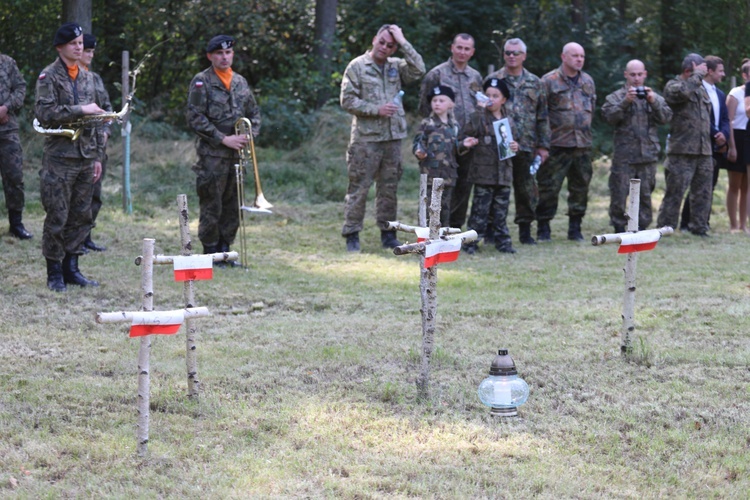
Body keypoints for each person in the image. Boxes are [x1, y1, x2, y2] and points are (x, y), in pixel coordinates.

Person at [340, 24, 425, 252]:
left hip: (392, 138)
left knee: (389, 189)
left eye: (391, 45)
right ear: (374, 39)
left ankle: (388, 234)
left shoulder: (396, 67)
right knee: (359, 188)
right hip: (366, 139)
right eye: (382, 42)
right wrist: (375, 109)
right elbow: (347, 100)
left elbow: (419, 69)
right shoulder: (357, 66)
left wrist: (403, 40)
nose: (385, 48)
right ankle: (352, 234)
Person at [35, 23, 106, 291]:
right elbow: (44, 113)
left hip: (87, 156)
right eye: (74, 43)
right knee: (57, 216)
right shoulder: (48, 76)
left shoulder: (88, 77)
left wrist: (98, 155)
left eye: (80, 43)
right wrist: (80, 109)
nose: (79, 47)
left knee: (81, 215)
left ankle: (72, 268)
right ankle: (54, 273)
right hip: (60, 158)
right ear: (60, 47)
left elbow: (97, 118)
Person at [186, 34, 261, 263]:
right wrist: (223, 139)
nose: (224, 57)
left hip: (237, 155)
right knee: (212, 203)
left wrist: (249, 135)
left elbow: (254, 113)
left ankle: (226, 249)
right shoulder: (201, 81)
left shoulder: (240, 82)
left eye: (228, 52)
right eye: (219, 53)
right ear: (210, 56)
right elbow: (194, 117)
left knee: (233, 204)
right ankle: (210, 252)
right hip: (212, 155)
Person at [485, 38, 550, 245]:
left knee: (526, 189)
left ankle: (525, 230)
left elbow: (543, 116)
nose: (512, 56)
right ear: (503, 55)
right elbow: (482, 112)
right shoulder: (493, 79)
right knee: (495, 188)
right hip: (497, 146)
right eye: (508, 52)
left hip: (525, 145)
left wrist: (543, 146)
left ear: (524, 56)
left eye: (516, 53)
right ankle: (491, 230)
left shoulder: (535, 82)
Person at [418, 33, 483, 230]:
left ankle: (455, 228)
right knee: (439, 188)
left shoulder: (475, 76)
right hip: (442, 141)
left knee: (464, 185)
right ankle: (435, 228)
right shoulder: (437, 74)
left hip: (467, 140)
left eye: (467, 49)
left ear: (472, 52)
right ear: (452, 48)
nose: (462, 52)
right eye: (459, 47)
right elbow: (424, 107)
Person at [601, 59, 672, 233]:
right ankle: (619, 226)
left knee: (646, 194)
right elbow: (609, 117)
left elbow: (666, 118)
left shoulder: (653, 97)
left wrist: (653, 101)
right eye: (632, 75)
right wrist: (625, 102)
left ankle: (641, 227)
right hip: (624, 157)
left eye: (640, 74)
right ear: (626, 75)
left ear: (645, 74)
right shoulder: (616, 97)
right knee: (619, 192)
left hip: (647, 156)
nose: (636, 78)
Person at [537, 42, 596, 242]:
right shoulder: (549, 81)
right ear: (563, 57)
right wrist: (542, 144)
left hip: (582, 145)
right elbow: (541, 115)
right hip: (556, 145)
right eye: (574, 55)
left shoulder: (588, 81)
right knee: (549, 188)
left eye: (582, 56)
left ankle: (575, 227)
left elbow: (591, 110)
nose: (579, 59)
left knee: (580, 188)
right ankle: (543, 227)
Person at [656, 54, 713, 236]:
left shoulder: (701, 89)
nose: (704, 73)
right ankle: (666, 228)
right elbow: (682, 93)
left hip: (703, 150)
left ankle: (699, 227)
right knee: (675, 192)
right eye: (700, 69)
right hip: (681, 150)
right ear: (689, 69)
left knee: (703, 193)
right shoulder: (674, 86)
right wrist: (697, 76)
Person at [459, 78, 518, 254]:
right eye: (488, 94)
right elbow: (469, 131)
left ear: (504, 99)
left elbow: (514, 142)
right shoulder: (480, 116)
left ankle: (503, 242)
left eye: (495, 95)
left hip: (503, 173)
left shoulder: (509, 120)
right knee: (479, 212)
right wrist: (479, 108)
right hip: (483, 173)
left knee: (501, 212)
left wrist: (516, 146)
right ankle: (470, 243)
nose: (491, 98)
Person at [679, 55, 729, 231]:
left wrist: (724, 134)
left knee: (709, 186)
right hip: (699, 144)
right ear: (709, 71)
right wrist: (715, 134)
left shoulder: (720, 94)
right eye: (720, 71)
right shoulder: (699, 91)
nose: (723, 74)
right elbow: (701, 119)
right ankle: (686, 223)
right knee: (693, 187)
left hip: (716, 146)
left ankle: (703, 222)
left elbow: (724, 118)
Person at [413, 85, 476, 226]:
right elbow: (418, 143)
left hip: (449, 176)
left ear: (451, 104)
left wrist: (465, 144)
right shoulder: (426, 124)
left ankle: (443, 241)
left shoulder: (454, 126)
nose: (437, 103)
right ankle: (425, 241)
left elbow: (455, 149)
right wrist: (419, 152)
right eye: (434, 100)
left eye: (441, 100)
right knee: (428, 209)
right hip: (430, 176)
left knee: (445, 210)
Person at [79, 33, 112, 252]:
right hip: (77, 145)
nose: (90, 55)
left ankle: (87, 235)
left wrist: (107, 130)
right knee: (78, 195)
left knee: (95, 193)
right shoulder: (67, 78)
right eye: (86, 51)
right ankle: (75, 238)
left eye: (92, 51)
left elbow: (107, 108)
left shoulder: (96, 78)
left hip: (98, 146)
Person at [0, 51, 32, 240]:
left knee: (14, 177)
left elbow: (20, 88)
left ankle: (16, 224)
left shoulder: (7, 62)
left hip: (7, 131)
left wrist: (5, 108)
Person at [724, 59, 750, 233]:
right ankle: (733, 225)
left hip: (749, 137)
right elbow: (729, 121)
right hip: (737, 138)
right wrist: (731, 146)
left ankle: (744, 225)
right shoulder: (735, 93)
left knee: (747, 186)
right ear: (744, 75)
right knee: (735, 184)